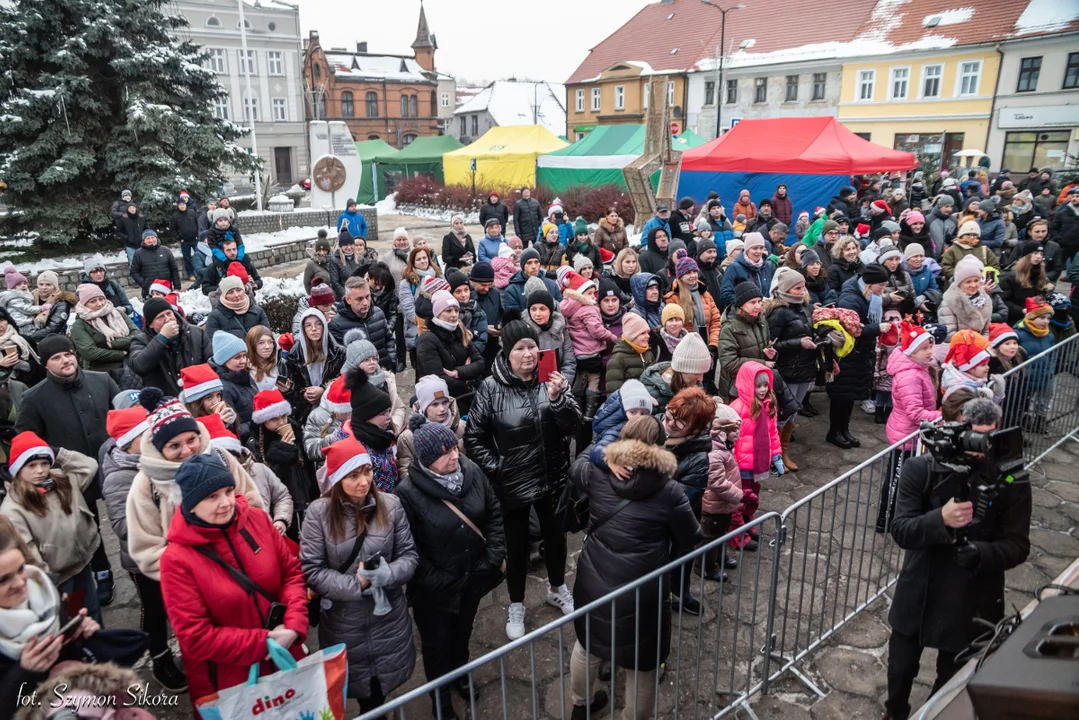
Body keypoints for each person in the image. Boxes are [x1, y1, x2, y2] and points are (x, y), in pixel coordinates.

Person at [885, 397, 1031, 720]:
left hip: (974, 595)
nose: (982, 447)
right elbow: (901, 528)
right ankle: (895, 713)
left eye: (990, 435)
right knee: (899, 672)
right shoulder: (919, 469)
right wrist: (941, 519)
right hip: (920, 588)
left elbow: (1019, 545)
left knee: (952, 686)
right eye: (976, 435)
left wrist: (981, 553)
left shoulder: (1010, 476)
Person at [568, 415, 701, 720]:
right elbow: (690, 537)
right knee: (643, 664)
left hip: (595, 577)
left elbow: (581, 461)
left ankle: (580, 704)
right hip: (642, 589)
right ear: (660, 446)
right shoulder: (669, 491)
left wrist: (605, 454)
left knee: (588, 644)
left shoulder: (598, 473)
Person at [465, 316, 580, 640]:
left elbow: (572, 426)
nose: (529, 354)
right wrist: (499, 467)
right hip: (512, 482)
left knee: (556, 538)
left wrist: (558, 399)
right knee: (515, 548)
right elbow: (474, 437)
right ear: (506, 352)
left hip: (552, 477)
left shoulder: (550, 379)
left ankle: (557, 588)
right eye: (520, 348)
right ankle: (516, 603)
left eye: (532, 346)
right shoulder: (491, 387)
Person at [159, 453, 307, 704]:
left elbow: (291, 574)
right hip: (230, 683)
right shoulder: (176, 560)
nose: (226, 502)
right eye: (212, 496)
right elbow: (195, 636)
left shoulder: (258, 520)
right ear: (190, 504)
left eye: (228, 491)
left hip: (287, 656)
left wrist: (294, 624)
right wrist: (264, 642)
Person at [299, 435, 417, 714]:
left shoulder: (390, 505)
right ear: (337, 479)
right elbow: (312, 570)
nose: (364, 482)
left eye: (367, 471)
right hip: (344, 624)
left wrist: (388, 574)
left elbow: (410, 557)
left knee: (383, 689)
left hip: (388, 620)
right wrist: (356, 583)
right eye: (353, 476)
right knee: (367, 699)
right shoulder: (318, 514)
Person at [396, 421, 505, 717]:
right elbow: (409, 550)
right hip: (435, 595)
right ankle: (440, 701)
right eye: (445, 453)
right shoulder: (407, 494)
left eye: (454, 448)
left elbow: (494, 512)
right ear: (428, 459)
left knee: (462, 634)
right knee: (436, 649)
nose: (455, 456)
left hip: (473, 580)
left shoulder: (470, 470)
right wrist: (441, 580)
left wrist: (491, 558)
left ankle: (460, 674)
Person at [14, 335, 118, 600]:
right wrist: (54, 458)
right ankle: (102, 571)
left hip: (113, 467)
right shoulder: (34, 398)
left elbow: (122, 417)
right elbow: (27, 440)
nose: (65, 360)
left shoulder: (101, 380)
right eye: (56, 358)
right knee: (85, 523)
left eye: (68, 354)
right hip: (72, 477)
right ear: (46, 365)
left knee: (125, 514)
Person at [0, 513, 105, 716]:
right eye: (3, 580)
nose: (21, 583)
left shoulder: (44, 590)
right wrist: (24, 672)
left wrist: (81, 634)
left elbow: (70, 656)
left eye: (21, 568)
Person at [2, 431, 103, 622]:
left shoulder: (61, 481)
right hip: (58, 576)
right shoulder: (13, 508)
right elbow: (29, 553)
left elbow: (89, 466)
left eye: (45, 463)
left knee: (93, 611)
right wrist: (48, 584)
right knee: (74, 621)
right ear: (17, 469)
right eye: (31, 465)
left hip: (81, 564)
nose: (40, 470)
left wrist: (59, 453)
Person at [828, 264, 893, 449]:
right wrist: (877, 328)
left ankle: (844, 429)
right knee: (840, 395)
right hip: (848, 354)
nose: (883, 288)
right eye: (881, 284)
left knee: (849, 395)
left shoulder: (871, 297)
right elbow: (852, 328)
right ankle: (834, 431)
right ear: (869, 283)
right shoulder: (850, 299)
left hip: (861, 353)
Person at [765, 268, 818, 471]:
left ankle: (784, 451)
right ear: (787, 289)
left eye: (803, 286)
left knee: (793, 413)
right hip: (788, 369)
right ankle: (775, 455)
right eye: (798, 288)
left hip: (806, 367)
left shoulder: (806, 307)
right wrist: (798, 343)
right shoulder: (778, 313)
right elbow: (771, 345)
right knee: (782, 412)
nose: (802, 291)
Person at [416, 290, 485, 413]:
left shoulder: (460, 331)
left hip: (465, 399)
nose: (454, 315)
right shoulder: (427, 339)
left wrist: (457, 373)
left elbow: (480, 362)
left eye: (456, 310)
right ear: (437, 313)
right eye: (448, 311)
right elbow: (438, 380)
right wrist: (468, 380)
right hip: (440, 405)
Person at [127, 298, 212, 397]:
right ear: (150, 324)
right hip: (166, 400)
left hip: (197, 394)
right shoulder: (141, 340)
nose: (167, 319)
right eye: (160, 317)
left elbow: (210, 362)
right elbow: (139, 366)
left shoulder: (196, 333)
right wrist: (162, 338)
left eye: (169, 313)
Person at [702, 404, 743, 579]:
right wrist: (739, 495)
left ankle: (719, 557)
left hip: (723, 503)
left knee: (721, 532)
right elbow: (718, 483)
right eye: (734, 429)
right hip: (714, 505)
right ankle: (707, 568)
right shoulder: (714, 453)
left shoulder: (725, 447)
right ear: (722, 431)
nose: (738, 433)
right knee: (710, 537)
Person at [283, 309, 345, 425]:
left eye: (318, 324)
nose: (314, 329)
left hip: (334, 405)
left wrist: (324, 389)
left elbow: (343, 378)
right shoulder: (295, 354)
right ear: (303, 329)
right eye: (308, 325)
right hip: (306, 409)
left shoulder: (338, 352)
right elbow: (293, 383)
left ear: (324, 326)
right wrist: (303, 393)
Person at [329, 276, 398, 371]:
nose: (365, 303)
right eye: (359, 299)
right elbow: (340, 358)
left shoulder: (378, 313)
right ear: (348, 300)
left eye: (367, 297)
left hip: (385, 371)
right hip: (360, 380)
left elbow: (389, 339)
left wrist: (392, 361)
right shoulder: (336, 325)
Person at [717, 282, 772, 401]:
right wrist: (762, 364)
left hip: (758, 384)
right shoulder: (729, 328)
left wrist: (771, 354)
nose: (758, 306)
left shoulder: (761, 320)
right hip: (737, 387)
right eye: (752, 302)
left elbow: (764, 345)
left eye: (759, 301)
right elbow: (729, 362)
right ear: (741, 305)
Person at [69, 283, 139, 376]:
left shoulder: (117, 313)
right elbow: (90, 353)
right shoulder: (79, 325)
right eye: (93, 301)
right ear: (84, 305)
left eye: (101, 299)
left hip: (130, 364)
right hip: (101, 371)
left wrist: (115, 343)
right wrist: (120, 353)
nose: (99, 304)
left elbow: (138, 334)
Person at [1013, 297, 1056, 432]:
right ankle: (1026, 421)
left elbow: (1053, 352)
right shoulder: (1019, 333)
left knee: (1044, 399)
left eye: (1048, 318)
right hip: (1027, 375)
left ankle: (1040, 420)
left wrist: (1051, 368)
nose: (1046, 321)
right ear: (1031, 317)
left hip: (1045, 373)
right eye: (1042, 317)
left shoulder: (1049, 334)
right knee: (1026, 400)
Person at [523, 289, 577, 387]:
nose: (537, 314)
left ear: (550, 310)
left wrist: (563, 384)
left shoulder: (561, 331)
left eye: (542, 309)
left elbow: (569, 362)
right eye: (533, 309)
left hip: (558, 386)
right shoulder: (524, 331)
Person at [203, 273, 270, 341]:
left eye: (239, 290)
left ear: (244, 290)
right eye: (230, 292)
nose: (236, 295)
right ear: (224, 295)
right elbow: (212, 343)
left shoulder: (258, 312)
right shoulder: (215, 317)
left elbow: (267, 337)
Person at [940, 255, 995, 339]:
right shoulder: (949, 302)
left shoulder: (986, 299)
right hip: (960, 347)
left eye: (976, 280)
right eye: (968, 282)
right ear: (959, 283)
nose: (973, 285)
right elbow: (949, 334)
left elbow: (987, 330)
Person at [999, 241, 1054, 324]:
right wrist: (1022, 310)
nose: (1039, 256)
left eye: (1041, 254)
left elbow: (1043, 296)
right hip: (1015, 320)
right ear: (1026, 255)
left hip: (1036, 318)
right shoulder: (1010, 276)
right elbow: (1003, 300)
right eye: (1035, 253)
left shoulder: (1041, 275)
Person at [302, 375, 352, 464]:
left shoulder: (364, 413)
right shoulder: (317, 416)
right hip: (332, 469)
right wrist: (333, 439)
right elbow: (310, 449)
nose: (348, 414)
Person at [719, 233, 774, 310]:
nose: (758, 251)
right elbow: (725, 295)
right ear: (747, 249)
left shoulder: (768, 266)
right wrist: (749, 301)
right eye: (754, 248)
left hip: (765, 313)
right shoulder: (734, 268)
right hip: (743, 315)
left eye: (761, 248)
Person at [606, 313, 655, 395]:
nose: (648, 336)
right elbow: (614, 396)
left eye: (647, 333)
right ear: (632, 335)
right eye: (642, 333)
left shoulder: (648, 353)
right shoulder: (617, 360)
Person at [502, 247, 562, 312]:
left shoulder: (552, 284)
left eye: (536, 262)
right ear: (523, 266)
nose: (534, 266)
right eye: (529, 263)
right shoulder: (512, 290)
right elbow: (513, 318)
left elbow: (561, 309)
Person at [128, 229, 179, 299]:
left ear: (156, 238)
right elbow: (134, 271)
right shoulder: (138, 253)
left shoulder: (166, 250)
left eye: (152, 237)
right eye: (148, 238)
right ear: (144, 240)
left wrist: (177, 287)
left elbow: (174, 269)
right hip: (148, 291)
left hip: (166, 289)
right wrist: (144, 283)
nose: (151, 240)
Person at [246, 325, 284, 392]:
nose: (267, 346)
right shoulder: (244, 368)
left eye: (270, 342)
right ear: (252, 345)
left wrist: (288, 391)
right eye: (261, 343)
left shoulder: (281, 364)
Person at [169, 197, 199, 281]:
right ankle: (191, 274)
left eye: (183, 204)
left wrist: (197, 235)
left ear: (186, 204)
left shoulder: (192, 213)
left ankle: (201, 272)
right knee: (187, 258)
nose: (182, 206)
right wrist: (179, 238)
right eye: (180, 205)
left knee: (199, 255)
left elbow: (197, 224)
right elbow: (172, 229)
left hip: (194, 239)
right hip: (184, 241)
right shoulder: (175, 216)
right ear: (178, 206)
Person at [328, 230, 364, 298]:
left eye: (351, 244)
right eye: (345, 245)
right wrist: (347, 295)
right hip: (344, 297)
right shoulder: (335, 260)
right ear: (341, 246)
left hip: (359, 295)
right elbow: (335, 282)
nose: (349, 247)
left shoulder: (360, 259)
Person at [1051, 187, 1079, 259]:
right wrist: (1059, 239)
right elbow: (1053, 228)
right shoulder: (1061, 214)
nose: (1074, 198)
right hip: (1065, 248)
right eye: (1073, 196)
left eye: (1077, 196)